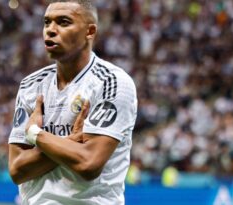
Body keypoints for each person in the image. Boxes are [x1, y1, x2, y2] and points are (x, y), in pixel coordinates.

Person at [8, 0, 138, 204]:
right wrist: (71, 142)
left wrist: (35, 134)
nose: (50, 30)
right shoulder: (31, 85)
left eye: (63, 22)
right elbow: (17, 170)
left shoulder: (111, 82)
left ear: (90, 31)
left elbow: (88, 164)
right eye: (47, 22)